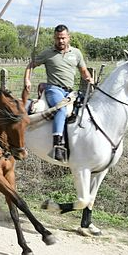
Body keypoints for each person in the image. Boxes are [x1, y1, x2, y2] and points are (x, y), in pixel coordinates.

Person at [23, 24, 94, 162]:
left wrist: (89, 78)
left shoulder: (76, 53)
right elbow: (31, 65)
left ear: (69, 38)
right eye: (57, 38)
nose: (60, 41)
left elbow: (84, 71)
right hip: (53, 89)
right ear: (54, 38)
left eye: (63, 38)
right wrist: (27, 79)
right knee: (61, 109)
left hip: (70, 92)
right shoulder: (48, 53)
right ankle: (57, 145)